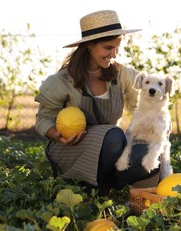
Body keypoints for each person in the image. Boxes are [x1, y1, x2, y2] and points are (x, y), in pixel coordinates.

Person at [34, 10, 160, 196]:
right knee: (114, 136)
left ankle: (107, 185)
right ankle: (87, 187)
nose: (114, 55)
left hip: (112, 146)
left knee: (148, 154)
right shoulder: (62, 80)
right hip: (73, 148)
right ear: (89, 46)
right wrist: (58, 135)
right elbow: (43, 119)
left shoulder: (122, 75)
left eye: (117, 48)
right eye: (108, 48)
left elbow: (143, 107)